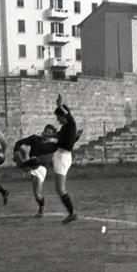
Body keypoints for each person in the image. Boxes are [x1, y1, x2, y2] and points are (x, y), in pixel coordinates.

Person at [13, 124, 58, 217]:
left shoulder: (52, 146)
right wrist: (16, 151)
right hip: (31, 164)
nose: (47, 134)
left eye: (50, 133)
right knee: (36, 195)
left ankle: (41, 209)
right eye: (46, 131)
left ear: (52, 135)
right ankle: (23, 161)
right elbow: (19, 143)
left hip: (40, 168)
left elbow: (66, 145)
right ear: (43, 132)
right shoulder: (34, 139)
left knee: (37, 194)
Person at [52, 94, 80, 224]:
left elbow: (69, 117)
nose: (58, 120)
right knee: (59, 189)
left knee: (60, 189)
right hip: (60, 155)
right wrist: (50, 135)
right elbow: (59, 136)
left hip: (63, 157)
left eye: (59, 117)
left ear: (64, 115)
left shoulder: (71, 124)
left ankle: (72, 213)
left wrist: (59, 106)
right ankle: (72, 213)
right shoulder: (65, 128)